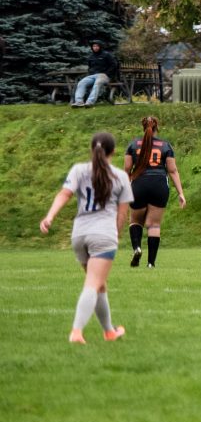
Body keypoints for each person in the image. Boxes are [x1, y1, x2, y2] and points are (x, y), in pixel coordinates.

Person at [40, 131, 133, 344]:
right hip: (103, 235)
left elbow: (64, 194)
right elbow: (122, 214)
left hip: (79, 234)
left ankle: (109, 331)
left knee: (99, 284)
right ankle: (76, 332)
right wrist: (116, 236)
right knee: (93, 282)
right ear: (114, 152)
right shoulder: (121, 176)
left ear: (92, 150)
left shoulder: (79, 170)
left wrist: (49, 216)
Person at [123, 115, 186, 269]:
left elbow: (126, 170)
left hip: (139, 184)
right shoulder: (165, 146)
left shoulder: (133, 145)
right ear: (157, 127)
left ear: (142, 127)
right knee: (154, 225)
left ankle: (137, 248)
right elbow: (172, 170)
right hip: (159, 185)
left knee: (135, 221)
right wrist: (181, 193)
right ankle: (151, 263)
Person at [71, 40, 120, 107]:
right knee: (81, 83)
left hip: (104, 75)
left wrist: (107, 73)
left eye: (97, 46)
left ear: (100, 47)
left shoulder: (106, 55)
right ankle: (79, 102)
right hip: (92, 76)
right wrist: (90, 72)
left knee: (97, 83)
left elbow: (114, 65)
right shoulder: (91, 57)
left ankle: (90, 102)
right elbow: (90, 67)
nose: (95, 47)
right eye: (94, 46)